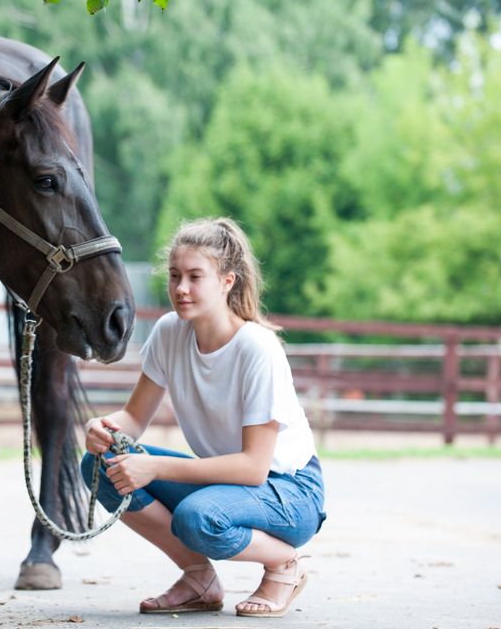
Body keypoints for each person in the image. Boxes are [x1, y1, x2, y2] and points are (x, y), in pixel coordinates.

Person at [81, 217, 326, 618]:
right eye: (175, 275)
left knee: (200, 518)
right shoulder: (168, 332)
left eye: (196, 277)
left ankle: (285, 564)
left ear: (228, 281)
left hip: (289, 492)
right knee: (102, 466)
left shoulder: (256, 349)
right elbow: (133, 418)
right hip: (225, 485)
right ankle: (199, 579)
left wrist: (154, 466)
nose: (181, 288)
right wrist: (104, 428)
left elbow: (253, 468)